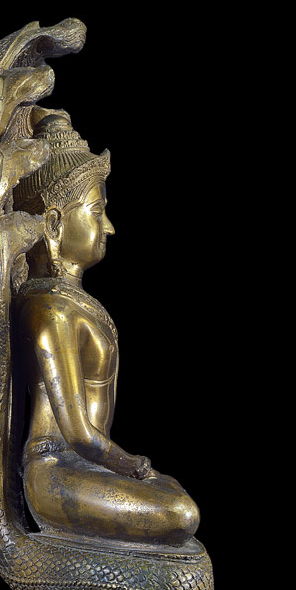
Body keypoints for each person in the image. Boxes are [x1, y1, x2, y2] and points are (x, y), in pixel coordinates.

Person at [13, 115, 200, 547]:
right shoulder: (49, 309)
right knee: (180, 513)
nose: (110, 227)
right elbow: (77, 432)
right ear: (54, 224)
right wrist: (133, 465)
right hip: (56, 472)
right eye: (97, 212)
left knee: (174, 496)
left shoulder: (71, 302)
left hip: (88, 466)